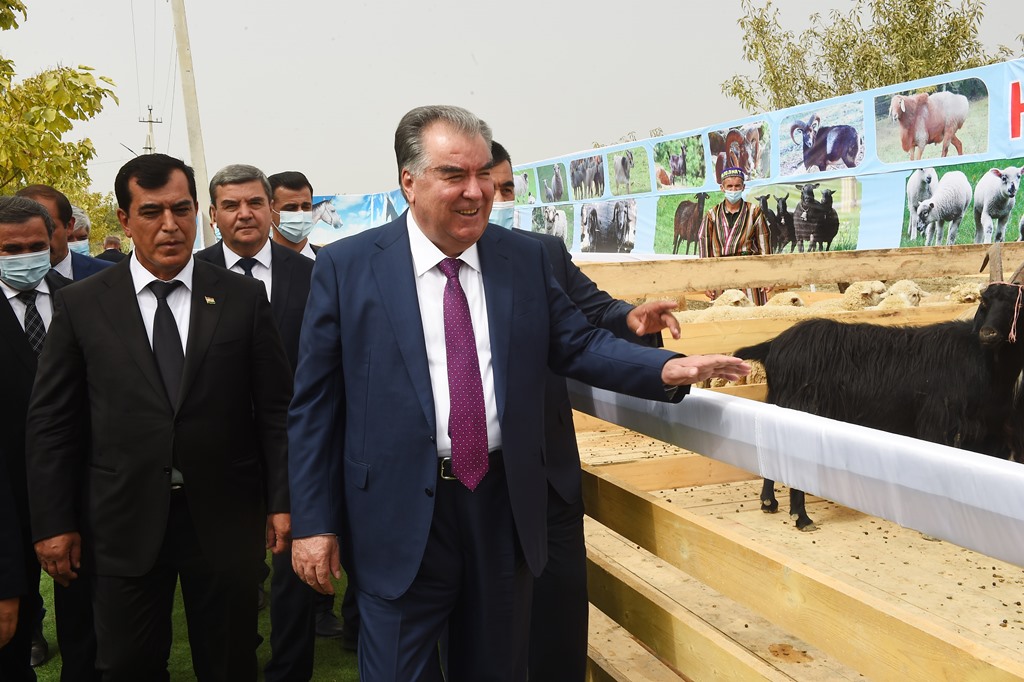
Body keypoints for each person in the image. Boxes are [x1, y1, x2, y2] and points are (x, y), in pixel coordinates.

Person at [287, 104, 749, 681]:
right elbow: (315, 406)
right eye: (454, 175)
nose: (475, 191)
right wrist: (314, 522)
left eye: (483, 174)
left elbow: (578, 342)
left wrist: (667, 369)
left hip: (503, 507)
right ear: (409, 181)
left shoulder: (523, 259)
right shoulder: (347, 267)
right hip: (396, 516)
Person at [25, 153, 294, 681]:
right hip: (121, 520)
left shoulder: (242, 298)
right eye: (151, 212)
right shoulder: (82, 305)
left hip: (225, 516)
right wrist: (54, 522)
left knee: (231, 661)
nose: (169, 225)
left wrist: (283, 500)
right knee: (127, 663)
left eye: (181, 209)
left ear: (197, 212)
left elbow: (276, 410)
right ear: (124, 220)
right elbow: (53, 424)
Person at [490, 140, 682, 680]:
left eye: (506, 188)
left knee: (556, 623)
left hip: (545, 475)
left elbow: (595, 313)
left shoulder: (540, 253)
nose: (494, 199)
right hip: (470, 483)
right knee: (484, 631)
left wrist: (632, 319)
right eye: (485, 185)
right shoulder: (422, 268)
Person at [194, 163, 328, 680]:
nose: (244, 214)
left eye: (255, 202)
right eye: (231, 205)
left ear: (271, 209)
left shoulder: (313, 274)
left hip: (298, 445)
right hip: (221, 451)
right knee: (228, 574)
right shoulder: (192, 273)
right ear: (213, 215)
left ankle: (290, 669)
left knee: (295, 569)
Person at [0, 195, 74, 682]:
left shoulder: (84, 299)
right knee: (11, 633)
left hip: (81, 495)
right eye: (10, 249)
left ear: (53, 241)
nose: (25, 257)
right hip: (8, 501)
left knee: (91, 630)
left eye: (35, 246)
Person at [697, 166, 771, 304]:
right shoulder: (712, 214)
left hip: (749, 270)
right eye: (729, 186)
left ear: (743, 187)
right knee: (723, 312)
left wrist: (767, 276)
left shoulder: (754, 212)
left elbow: (764, 245)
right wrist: (706, 281)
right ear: (722, 188)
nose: (733, 190)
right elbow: (704, 247)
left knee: (752, 311)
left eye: (737, 186)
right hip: (720, 272)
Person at [14, 186, 111, 281]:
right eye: (23, 232)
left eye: (48, 228)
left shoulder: (109, 275)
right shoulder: (9, 279)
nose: (35, 240)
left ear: (69, 226)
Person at [268, 172, 318, 259]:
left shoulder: (332, 261)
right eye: (290, 208)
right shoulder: (255, 264)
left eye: (306, 207)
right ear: (269, 211)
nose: (300, 213)